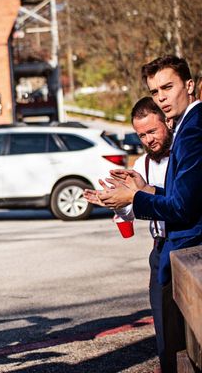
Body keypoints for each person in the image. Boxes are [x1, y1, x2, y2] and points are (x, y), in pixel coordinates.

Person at [95, 56, 201, 373]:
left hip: (188, 248)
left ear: (190, 85)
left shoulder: (192, 131)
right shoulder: (188, 128)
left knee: (181, 348)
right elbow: (186, 197)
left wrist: (137, 197)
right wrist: (145, 191)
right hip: (175, 250)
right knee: (177, 347)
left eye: (168, 87)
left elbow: (184, 208)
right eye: (155, 91)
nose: (162, 97)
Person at [84, 97, 171, 369]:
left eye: (152, 132)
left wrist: (140, 193)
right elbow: (131, 213)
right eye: (141, 135)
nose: (147, 140)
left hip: (188, 245)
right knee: (164, 324)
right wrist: (116, 202)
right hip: (160, 248)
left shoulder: (183, 156)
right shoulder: (142, 164)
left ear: (167, 123)